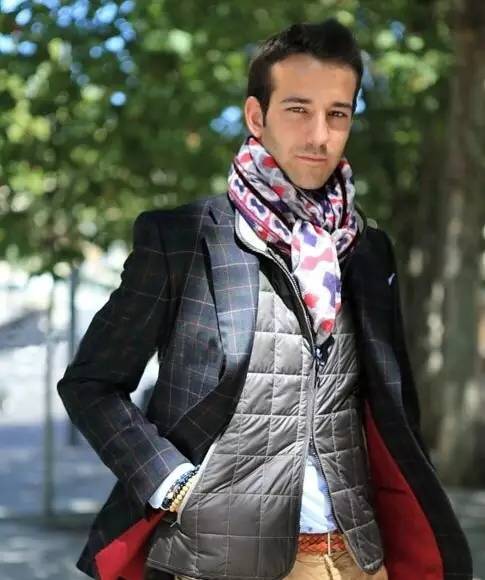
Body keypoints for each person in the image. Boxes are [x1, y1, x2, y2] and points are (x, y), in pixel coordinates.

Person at [57, 18, 473, 580]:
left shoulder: (369, 250)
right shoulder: (182, 239)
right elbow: (91, 383)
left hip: (358, 557)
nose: (320, 135)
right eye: (298, 109)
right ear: (257, 116)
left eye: (338, 114)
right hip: (221, 562)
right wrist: (170, 483)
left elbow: (389, 414)